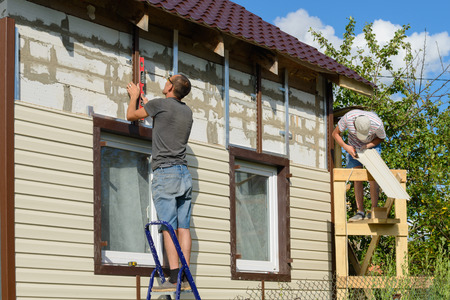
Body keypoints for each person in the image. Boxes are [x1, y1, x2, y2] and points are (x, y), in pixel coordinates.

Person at [126, 74, 193, 291]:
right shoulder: (186, 111)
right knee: (183, 227)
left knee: (168, 227)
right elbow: (165, 118)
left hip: (166, 173)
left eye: (168, 80)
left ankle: (173, 278)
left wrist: (134, 96)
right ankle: (185, 276)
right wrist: (150, 106)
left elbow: (130, 115)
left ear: (171, 86)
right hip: (184, 174)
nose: (165, 81)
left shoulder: (159, 105)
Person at [332, 109, 386, 222]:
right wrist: (346, 147)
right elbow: (335, 134)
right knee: (357, 176)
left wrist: (368, 145)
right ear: (355, 127)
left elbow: (381, 138)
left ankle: (374, 210)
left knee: (373, 175)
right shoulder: (348, 118)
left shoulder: (377, 124)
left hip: (371, 146)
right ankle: (360, 212)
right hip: (353, 147)